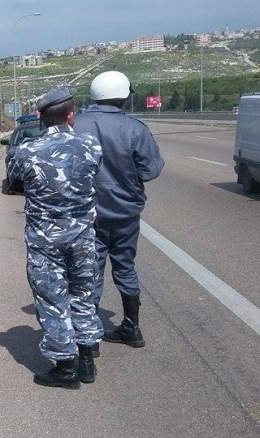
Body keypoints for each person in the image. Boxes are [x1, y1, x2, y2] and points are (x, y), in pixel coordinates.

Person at [7, 85, 104, 389]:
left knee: (52, 299)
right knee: (84, 295)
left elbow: (13, 182)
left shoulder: (25, 151)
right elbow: (93, 175)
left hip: (45, 240)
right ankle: (87, 358)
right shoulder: (91, 145)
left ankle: (66, 368)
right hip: (83, 236)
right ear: (71, 116)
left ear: (39, 117)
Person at [75, 71, 164, 350]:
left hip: (88, 214)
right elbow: (151, 170)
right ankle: (131, 327)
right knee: (125, 267)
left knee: (90, 271)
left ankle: (90, 340)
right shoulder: (135, 128)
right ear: (123, 96)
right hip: (125, 214)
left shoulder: (76, 124)